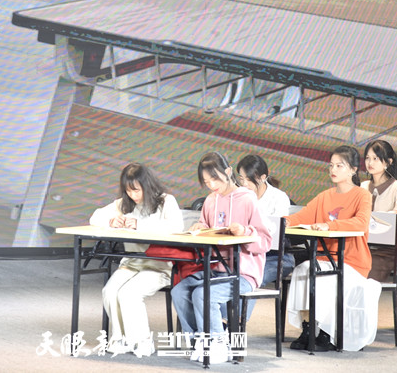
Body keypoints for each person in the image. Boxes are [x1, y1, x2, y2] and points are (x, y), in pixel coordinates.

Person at [170, 152, 271, 364]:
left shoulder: (247, 199)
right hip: (214, 269)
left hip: (244, 273)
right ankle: (200, 340)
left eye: (215, 179)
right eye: (207, 182)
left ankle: (217, 343)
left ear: (228, 171)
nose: (212, 185)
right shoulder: (210, 201)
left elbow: (265, 241)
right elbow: (206, 229)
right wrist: (200, 228)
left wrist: (244, 231)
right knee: (179, 291)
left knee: (203, 293)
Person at [284, 145, 380, 352]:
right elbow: (302, 216)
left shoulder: (362, 195)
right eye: (331, 165)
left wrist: (330, 225)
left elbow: (361, 223)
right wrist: (284, 222)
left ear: (353, 169)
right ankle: (308, 328)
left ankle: (327, 333)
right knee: (303, 271)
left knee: (325, 278)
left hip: (352, 261)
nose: (333, 170)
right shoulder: (324, 196)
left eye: (339, 166)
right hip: (324, 258)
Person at [89, 163, 183, 357]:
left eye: (136, 190)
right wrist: (111, 221)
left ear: (147, 185)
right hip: (132, 263)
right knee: (109, 291)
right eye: (128, 190)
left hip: (159, 265)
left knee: (129, 293)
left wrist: (140, 224)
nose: (132, 195)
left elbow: (175, 227)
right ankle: (121, 338)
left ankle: (142, 341)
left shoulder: (166, 201)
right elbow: (95, 217)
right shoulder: (123, 204)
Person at [235, 154, 293, 313]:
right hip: (247, 255)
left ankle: (233, 321)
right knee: (225, 277)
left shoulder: (278, 197)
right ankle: (225, 321)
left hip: (277, 257)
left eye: (249, 180)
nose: (244, 184)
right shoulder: (240, 196)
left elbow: (276, 230)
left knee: (249, 279)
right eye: (241, 179)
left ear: (262, 178)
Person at [360, 139, 397, 281]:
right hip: (366, 247)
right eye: (367, 158)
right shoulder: (363, 186)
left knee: (368, 268)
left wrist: (375, 217)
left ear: (388, 162)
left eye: (375, 158)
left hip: (391, 250)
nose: (370, 163)